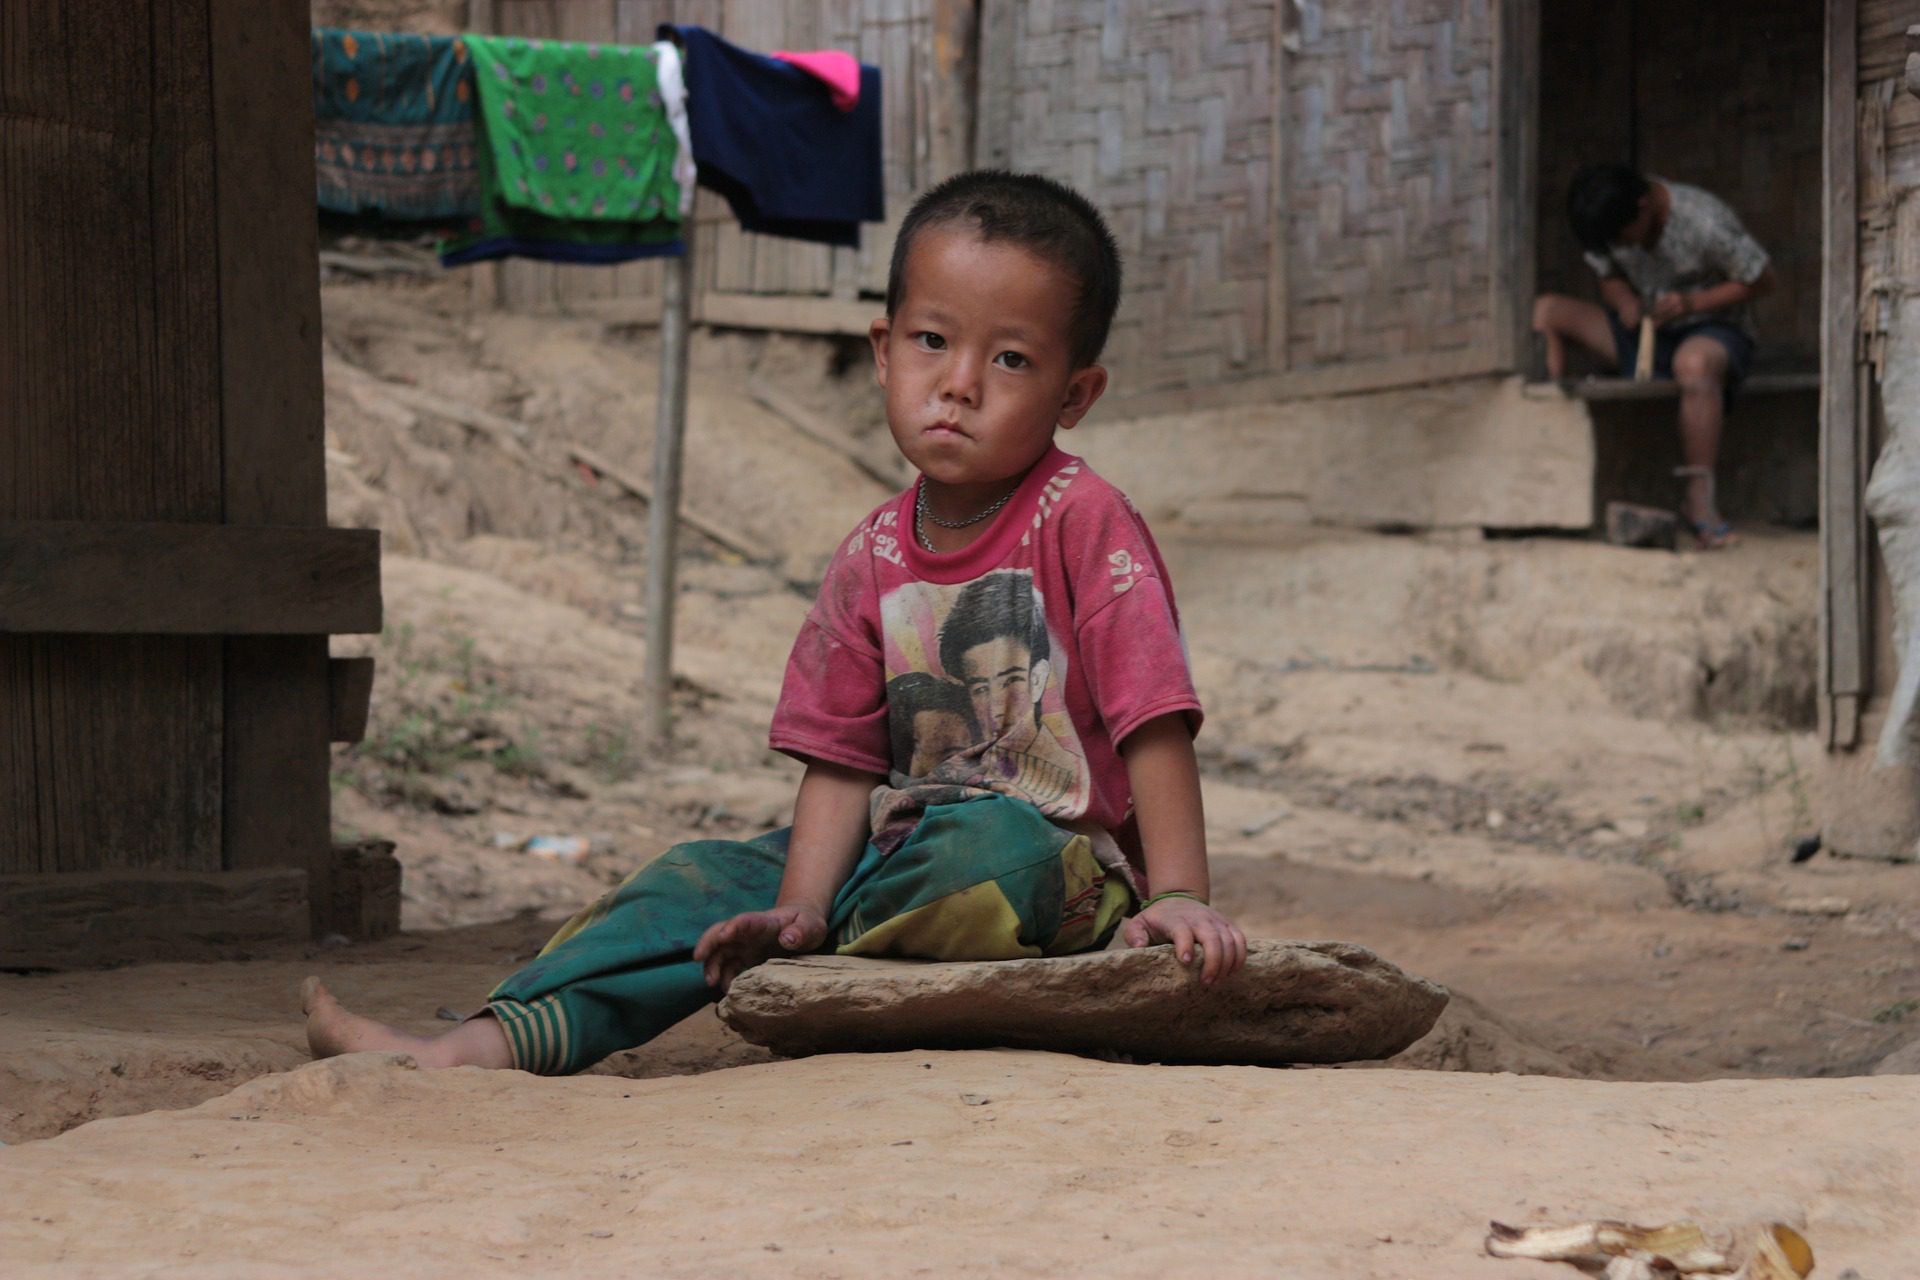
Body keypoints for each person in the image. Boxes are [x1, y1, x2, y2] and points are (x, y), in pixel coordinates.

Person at [302, 170, 1249, 1075]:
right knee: (698, 879)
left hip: (1056, 874)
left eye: (1010, 358)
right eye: (931, 342)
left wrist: (1178, 899)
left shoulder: (1083, 520)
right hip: (895, 858)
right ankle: (486, 1042)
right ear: (882, 352)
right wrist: (795, 905)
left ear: (1075, 394)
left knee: (986, 845)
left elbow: (1151, 719)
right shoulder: (869, 555)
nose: (959, 384)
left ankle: (844, 928)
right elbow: (840, 761)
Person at [1531, 164, 1775, 549]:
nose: (1620, 248)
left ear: (1644, 208)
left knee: (1692, 365)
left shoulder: (1704, 221)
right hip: (1646, 332)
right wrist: (1624, 301)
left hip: (1713, 331)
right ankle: (1542, 465)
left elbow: (1762, 279)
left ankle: (1699, 502)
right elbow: (1608, 275)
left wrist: (1693, 303)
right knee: (1544, 312)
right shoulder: (1611, 225)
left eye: (1622, 240)